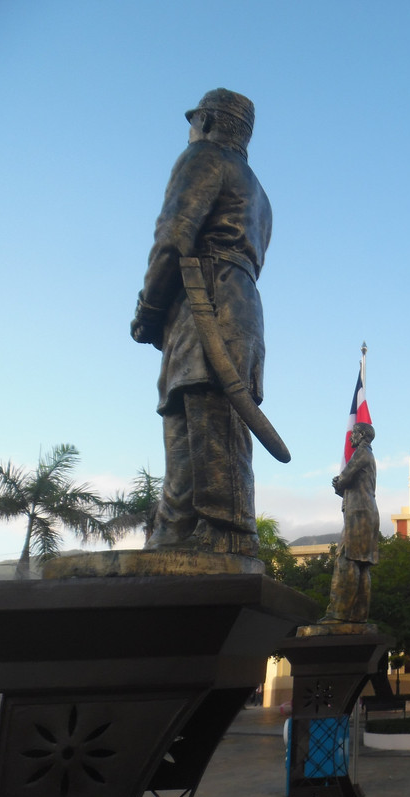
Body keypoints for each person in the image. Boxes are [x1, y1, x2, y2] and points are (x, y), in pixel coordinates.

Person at [130, 88, 273, 556]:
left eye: (195, 122)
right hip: (239, 302)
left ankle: (224, 532)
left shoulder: (204, 157)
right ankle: (175, 530)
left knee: (206, 410)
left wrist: (149, 309)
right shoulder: (260, 194)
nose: (191, 131)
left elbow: (173, 237)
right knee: (187, 410)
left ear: (209, 122)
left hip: (206, 298)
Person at [324, 423, 379, 623]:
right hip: (368, 512)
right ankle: (358, 615)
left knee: (345, 559)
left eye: (354, 433)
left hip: (358, 512)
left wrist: (337, 482)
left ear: (362, 435)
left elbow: (344, 479)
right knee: (362, 563)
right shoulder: (369, 455)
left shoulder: (362, 453)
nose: (350, 438)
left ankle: (338, 614)